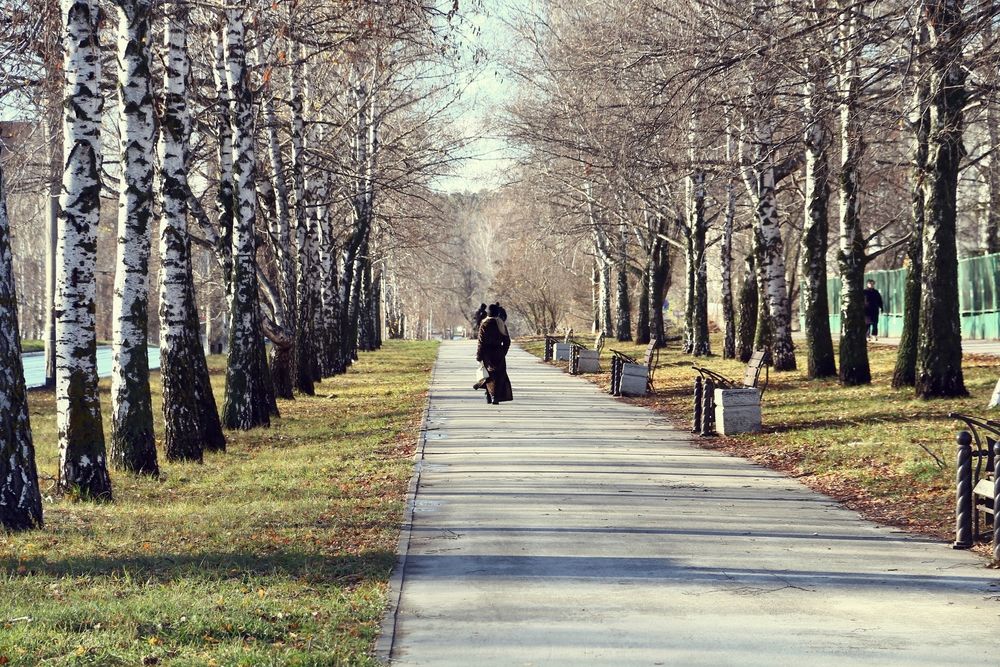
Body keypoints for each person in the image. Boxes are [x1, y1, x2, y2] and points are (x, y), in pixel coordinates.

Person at [473, 303, 513, 405]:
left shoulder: (484, 324)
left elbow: (481, 342)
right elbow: (507, 341)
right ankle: (496, 397)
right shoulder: (501, 324)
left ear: (488, 313)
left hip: (487, 353)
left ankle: (488, 395)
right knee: (499, 375)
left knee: (488, 375)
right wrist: (503, 351)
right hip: (498, 353)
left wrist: (479, 355)